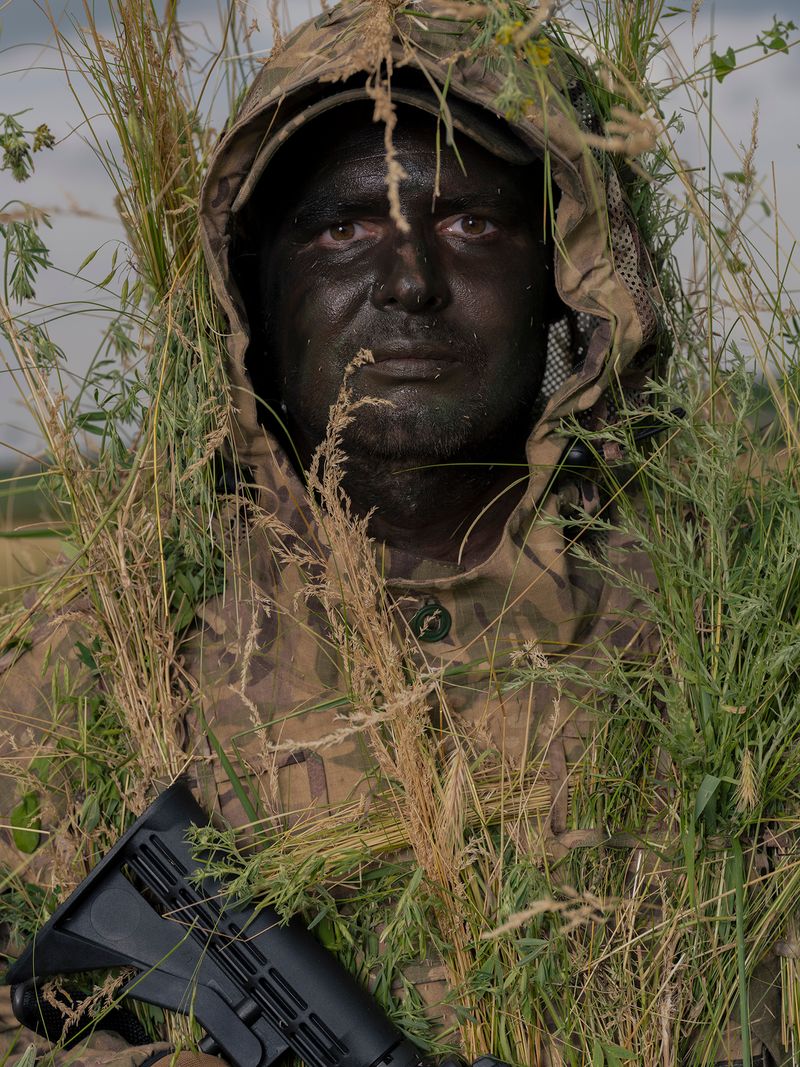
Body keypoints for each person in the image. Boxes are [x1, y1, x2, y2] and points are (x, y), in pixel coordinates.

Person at [0, 3, 787, 1065]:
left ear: (563, 283)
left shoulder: (739, 651)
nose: (410, 278)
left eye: (470, 222)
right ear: (254, 295)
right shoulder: (96, 663)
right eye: (343, 227)